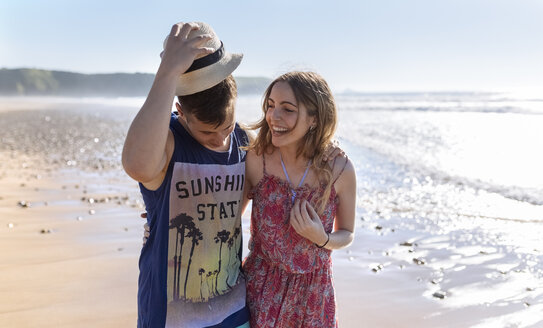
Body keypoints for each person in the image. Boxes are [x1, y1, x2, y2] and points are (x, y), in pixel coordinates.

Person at [122, 21, 250, 327]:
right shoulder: (167, 139)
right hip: (171, 316)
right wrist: (167, 72)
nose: (220, 139)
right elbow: (137, 166)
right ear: (180, 110)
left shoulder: (244, 141)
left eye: (226, 127)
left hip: (234, 308)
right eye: (207, 132)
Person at [243, 71, 357, 327]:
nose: (274, 116)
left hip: (314, 295)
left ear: (314, 118)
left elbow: (347, 232)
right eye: (271, 106)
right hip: (260, 290)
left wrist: (322, 239)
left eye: (288, 109)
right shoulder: (256, 159)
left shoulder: (340, 169)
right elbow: (226, 219)